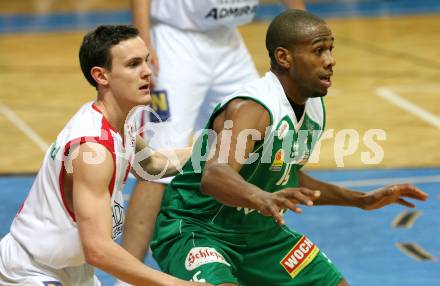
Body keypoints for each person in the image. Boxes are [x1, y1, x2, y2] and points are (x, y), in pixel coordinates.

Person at [149, 10, 428, 285]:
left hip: (259, 233)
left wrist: (360, 200)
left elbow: (285, 175)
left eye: (331, 50)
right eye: (319, 51)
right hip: (198, 228)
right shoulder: (252, 108)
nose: (330, 61)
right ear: (284, 57)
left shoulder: (314, 107)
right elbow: (215, 175)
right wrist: (260, 196)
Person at [0, 25, 210, 286]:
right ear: (101, 76)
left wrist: (211, 151)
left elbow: (152, 165)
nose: (147, 71)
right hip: (30, 272)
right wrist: (177, 284)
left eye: (146, 60)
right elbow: (98, 249)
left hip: (74, 271)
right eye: (133, 64)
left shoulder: (118, 121)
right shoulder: (93, 150)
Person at [123, 0, 307, 266]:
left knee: (256, 146)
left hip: (228, 40)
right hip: (176, 41)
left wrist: (302, 31)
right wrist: (142, 40)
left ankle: (235, 249)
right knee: (157, 164)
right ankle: (127, 275)